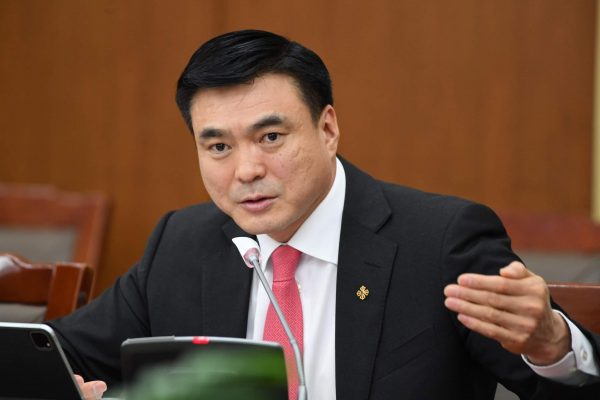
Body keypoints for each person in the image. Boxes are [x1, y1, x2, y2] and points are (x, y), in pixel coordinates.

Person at [49, 29, 600, 400]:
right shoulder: (182, 242)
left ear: (328, 128)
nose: (246, 170)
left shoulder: (439, 242)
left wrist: (554, 346)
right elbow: (56, 353)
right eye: (218, 147)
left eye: (270, 136)